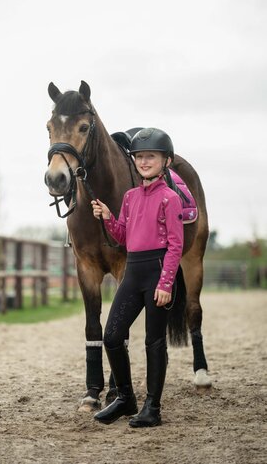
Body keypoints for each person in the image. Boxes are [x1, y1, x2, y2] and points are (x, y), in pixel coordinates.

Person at [91, 127, 184, 428]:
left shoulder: (170, 198)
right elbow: (123, 237)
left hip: (158, 272)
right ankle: (126, 398)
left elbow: (176, 244)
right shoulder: (130, 197)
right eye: (140, 157)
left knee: (153, 342)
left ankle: (152, 408)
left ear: (165, 161)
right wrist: (108, 216)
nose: (144, 162)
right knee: (112, 336)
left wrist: (166, 283)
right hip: (133, 270)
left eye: (151, 157)